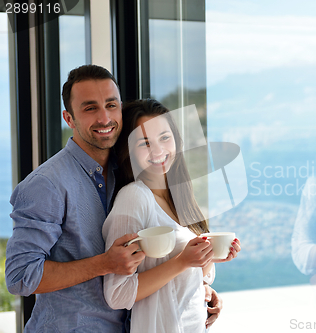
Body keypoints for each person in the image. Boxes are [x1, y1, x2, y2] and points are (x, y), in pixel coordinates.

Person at [4, 65, 222, 332]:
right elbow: (20, 277)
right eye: (90, 108)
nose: (105, 118)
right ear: (69, 118)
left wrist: (198, 289)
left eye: (111, 105)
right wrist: (104, 264)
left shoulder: (128, 172)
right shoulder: (46, 185)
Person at [102, 99, 241, 333]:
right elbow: (117, 294)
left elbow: (181, 278)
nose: (158, 151)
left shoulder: (180, 196)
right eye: (145, 143)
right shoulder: (134, 197)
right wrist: (184, 261)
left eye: (165, 138)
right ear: (128, 150)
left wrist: (206, 269)